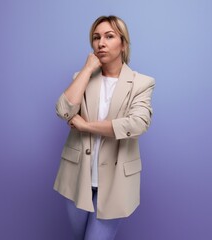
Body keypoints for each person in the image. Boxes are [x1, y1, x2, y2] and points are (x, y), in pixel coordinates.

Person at [54, 15, 155, 240]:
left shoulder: (142, 83)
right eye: (96, 37)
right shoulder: (81, 78)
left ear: (123, 44)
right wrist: (87, 69)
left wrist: (86, 125)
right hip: (76, 176)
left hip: (117, 181)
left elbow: (137, 123)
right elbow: (63, 110)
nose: (101, 43)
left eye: (109, 36)